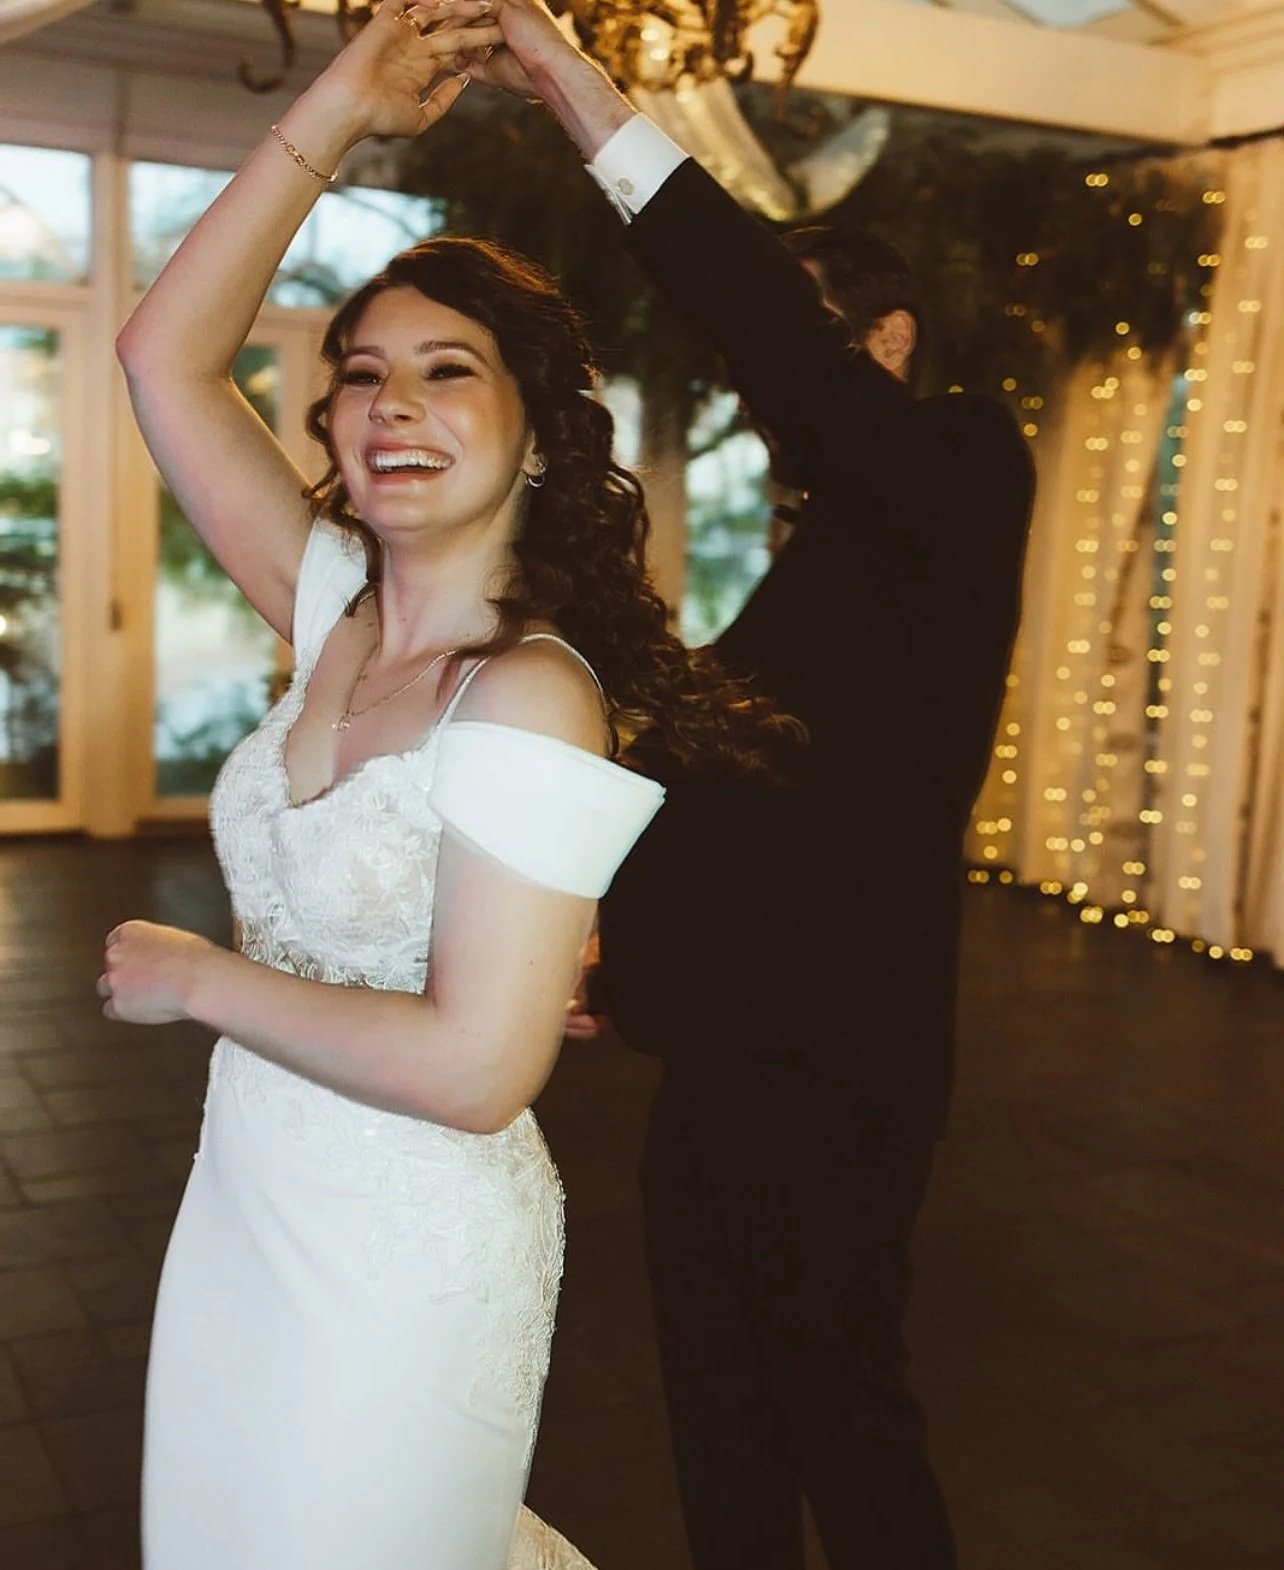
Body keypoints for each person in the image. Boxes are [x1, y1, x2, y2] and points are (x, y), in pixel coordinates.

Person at [100, 6, 789, 1567]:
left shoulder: (531, 692)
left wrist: (206, 978)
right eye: (359, 378)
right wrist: (345, 101)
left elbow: (484, 1070)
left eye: (446, 372)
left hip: (409, 1252)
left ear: (537, 430)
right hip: (245, 1207)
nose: (389, 403)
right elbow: (162, 352)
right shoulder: (329, 595)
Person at [466, 8, 1038, 1567]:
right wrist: (596, 936)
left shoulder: (964, 475)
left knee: (843, 1413)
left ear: (888, 343)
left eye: (798, 337)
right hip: (719, 1057)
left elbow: (766, 332)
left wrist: (593, 108)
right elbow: (743, 775)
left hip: (843, 1077)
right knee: (717, 1416)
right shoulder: (825, 560)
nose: (757, 377)